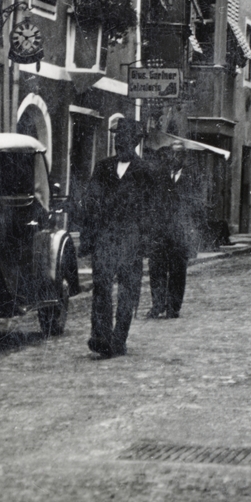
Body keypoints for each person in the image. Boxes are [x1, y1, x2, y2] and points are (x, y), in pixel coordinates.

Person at [79, 118, 152, 357]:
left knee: (127, 292)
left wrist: (147, 242)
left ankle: (119, 339)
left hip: (132, 239)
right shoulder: (102, 168)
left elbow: (152, 210)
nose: (119, 142)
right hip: (105, 238)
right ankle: (100, 336)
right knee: (101, 287)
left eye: (125, 138)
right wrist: (88, 238)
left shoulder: (145, 171)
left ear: (135, 141)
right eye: (117, 137)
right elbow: (90, 203)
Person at [147, 148, 201, 319]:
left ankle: (173, 307)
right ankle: (157, 305)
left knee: (178, 271)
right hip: (159, 233)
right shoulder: (159, 177)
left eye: (178, 155)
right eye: (171, 155)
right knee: (156, 269)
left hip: (181, 233)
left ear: (184, 158)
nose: (173, 158)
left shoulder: (193, 178)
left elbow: (197, 207)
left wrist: (192, 232)